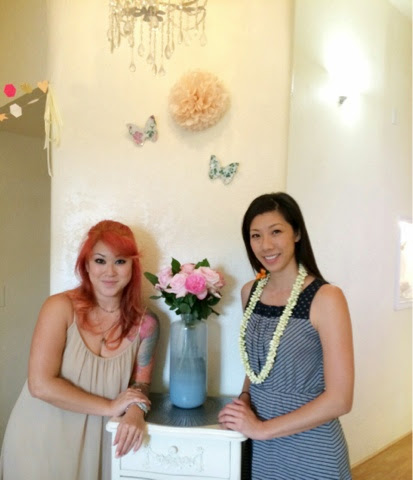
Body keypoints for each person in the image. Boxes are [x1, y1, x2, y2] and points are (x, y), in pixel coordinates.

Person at [0, 220, 160, 480]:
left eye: (120, 261)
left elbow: (140, 385)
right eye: (100, 261)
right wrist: (110, 406)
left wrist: (135, 412)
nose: (110, 271)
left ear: (133, 267)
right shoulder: (59, 307)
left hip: (99, 443)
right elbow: (40, 385)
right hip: (39, 440)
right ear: (86, 265)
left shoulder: (147, 324)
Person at [218, 193, 354, 480]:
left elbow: (340, 399)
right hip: (261, 448)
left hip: (312, 449)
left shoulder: (326, 297)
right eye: (256, 235)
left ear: (297, 233)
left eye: (276, 231)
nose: (266, 245)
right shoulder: (250, 292)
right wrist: (244, 399)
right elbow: (257, 365)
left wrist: (262, 429)